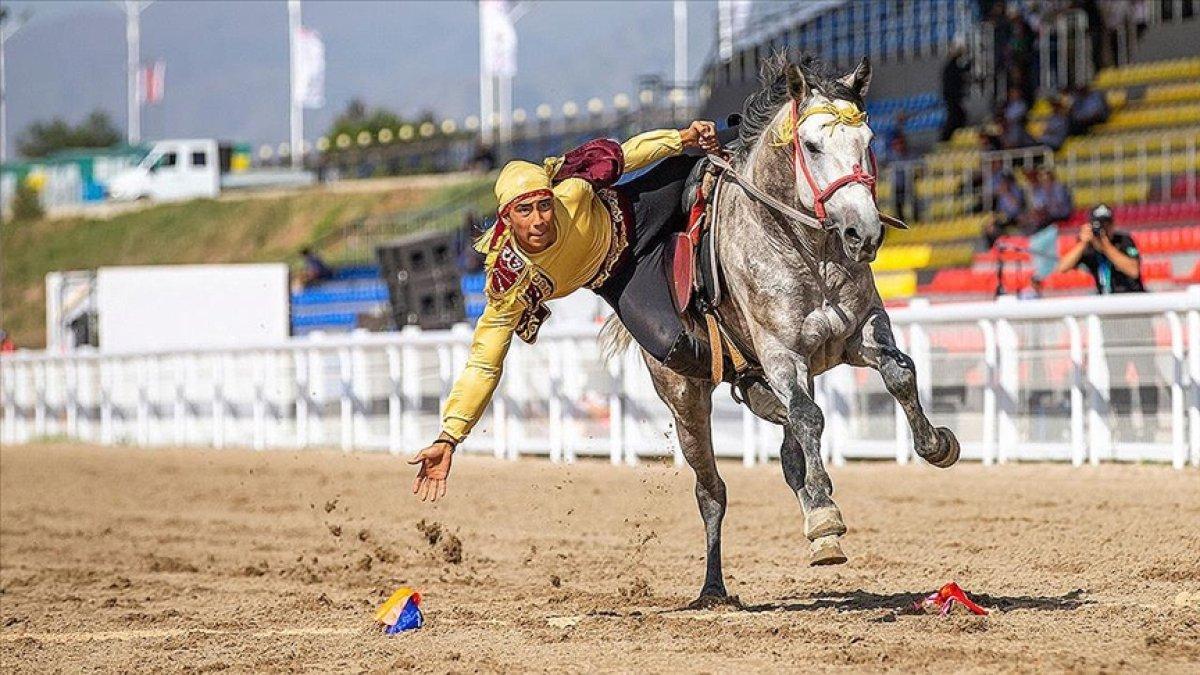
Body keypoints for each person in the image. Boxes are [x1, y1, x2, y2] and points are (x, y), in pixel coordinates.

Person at [407, 121, 781, 501]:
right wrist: (450, 436)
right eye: (525, 211)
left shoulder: (571, 190)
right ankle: (747, 378)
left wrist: (683, 138)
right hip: (621, 277)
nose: (539, 220)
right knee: (675, 349)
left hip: (640, 210)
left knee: (707, 169)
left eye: (543, 206)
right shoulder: (511, 282)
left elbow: (627, 154)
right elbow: (484, 363)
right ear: (506, 217)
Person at [1053, 203, 1144, 294]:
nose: (1103, 229)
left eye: (1106, 224)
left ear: (1112, 225)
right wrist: (1082, 244)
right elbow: (1062, 268)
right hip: (1104, 300)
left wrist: (1106, 247)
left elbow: (1133, 271)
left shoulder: (1123, 240)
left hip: (1129, 296)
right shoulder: (1089, 246)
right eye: (1099, 225)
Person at [940, 42, 973, 141]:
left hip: (953, 97)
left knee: (959, 115)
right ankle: (946, 138)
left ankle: (953, 136)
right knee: (956, 116)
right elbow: (960, 72)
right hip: (952, 97)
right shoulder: (950, 67)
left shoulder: (951, 67)